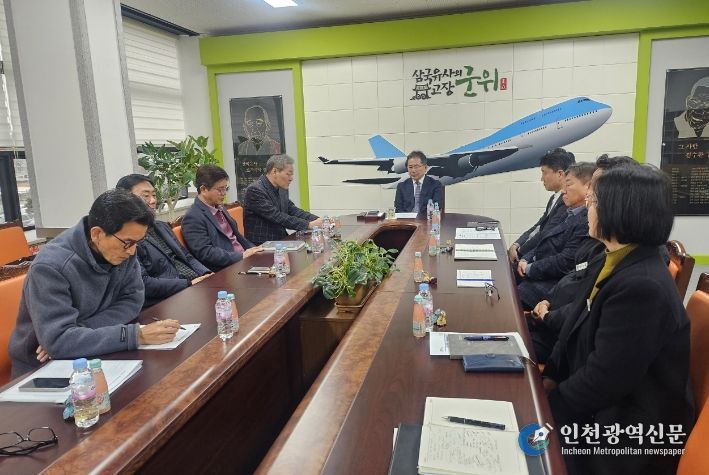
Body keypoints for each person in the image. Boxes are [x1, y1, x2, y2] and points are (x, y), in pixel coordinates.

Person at [542, 165, 694, 475]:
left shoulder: (643, 287)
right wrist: (551, 378)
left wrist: (546, 409)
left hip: (623, 433)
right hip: (598, 408)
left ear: (622, 210)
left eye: (595, 200)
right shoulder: (610, 257)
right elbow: (572, 327)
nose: (588, 207)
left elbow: (604, 381)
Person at [8, 190, 181, 378]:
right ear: (97, 234)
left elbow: (132, 300)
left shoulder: (123, 249)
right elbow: (58, 343)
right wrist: (134, 335)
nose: (132, 252)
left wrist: (78, 331)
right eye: (128, 243)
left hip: (95, 351)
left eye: (138, 242)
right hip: (43, 368)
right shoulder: (51, 267)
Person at [116, 174, 212, 307]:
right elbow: (143, 282)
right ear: (125, 199)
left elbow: (187, 256)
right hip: (168, 299)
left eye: (154, 195)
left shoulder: (161, 226)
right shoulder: (124, 237)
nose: (153, 200)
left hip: (196, 286)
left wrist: (207, 274)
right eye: (146, 196)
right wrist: (188, 284)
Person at [516, 162, 596, 310]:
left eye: (569, 185)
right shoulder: (568, 211)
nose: (563, 190)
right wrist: (526, 258)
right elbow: (544, 237)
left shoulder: (587, 220)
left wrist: (530, 268)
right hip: (539, 271)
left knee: (514, 297)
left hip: (553, 282)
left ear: (588, 187)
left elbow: (566, 261)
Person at [182, 164, 262, 272]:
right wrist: (241, 256)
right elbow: (206, 253)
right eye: (220, 189)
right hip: (227, 269)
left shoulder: (219, 207)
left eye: (226, 189)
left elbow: (237, 238)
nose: (224, 194)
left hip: (244, 260)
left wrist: (255, 250)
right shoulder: (193, 217)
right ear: (203, 189)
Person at [508, 148, 575, 264]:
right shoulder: (554, 198)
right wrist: (516, 244)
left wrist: (520, 253)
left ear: (560, 174)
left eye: (544, 172)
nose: (541, 178)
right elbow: (539, 226)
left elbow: (545, 234)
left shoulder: (566, 202)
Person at [243, 154, 322, 245]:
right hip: (262, 245)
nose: (291, 179)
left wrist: (318, 220)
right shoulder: (255, 190)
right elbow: (277, 216)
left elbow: (293, 211)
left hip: (281, 240)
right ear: (274, 171)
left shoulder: (281, 189)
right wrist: (309, 225)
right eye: (288, 174)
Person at [394, 151, 443, 216]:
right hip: (407, 220)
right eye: (410, 167)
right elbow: (398, 209)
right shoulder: (402, 186)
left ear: (425, 168)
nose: (413, 170)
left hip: (426, 219)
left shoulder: (435, 185)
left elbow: (437, 207)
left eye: (416, 167)